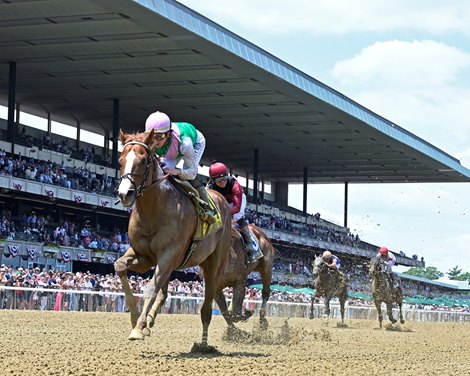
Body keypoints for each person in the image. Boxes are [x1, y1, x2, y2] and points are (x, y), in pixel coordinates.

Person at [145, 111, 215, 224]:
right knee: (161, 171)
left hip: (194, 142)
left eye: (159, 136)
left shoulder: (185, 144)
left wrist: (176, 171)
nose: (155, 141)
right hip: (171, 150)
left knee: (186, 176)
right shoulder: (148, 141)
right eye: (151, 136)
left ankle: (208, 208)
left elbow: (192, 172)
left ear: (168, 134)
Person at [207, 162, 263, 263]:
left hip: (236, 202)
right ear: (213, 180)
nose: (223, 182)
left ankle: (250, 244)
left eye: (224, 178)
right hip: (222, 202)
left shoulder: (234, 185)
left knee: (237, 217)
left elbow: (237, 208)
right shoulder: (209, 187)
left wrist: (223, 214)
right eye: (219, 180)